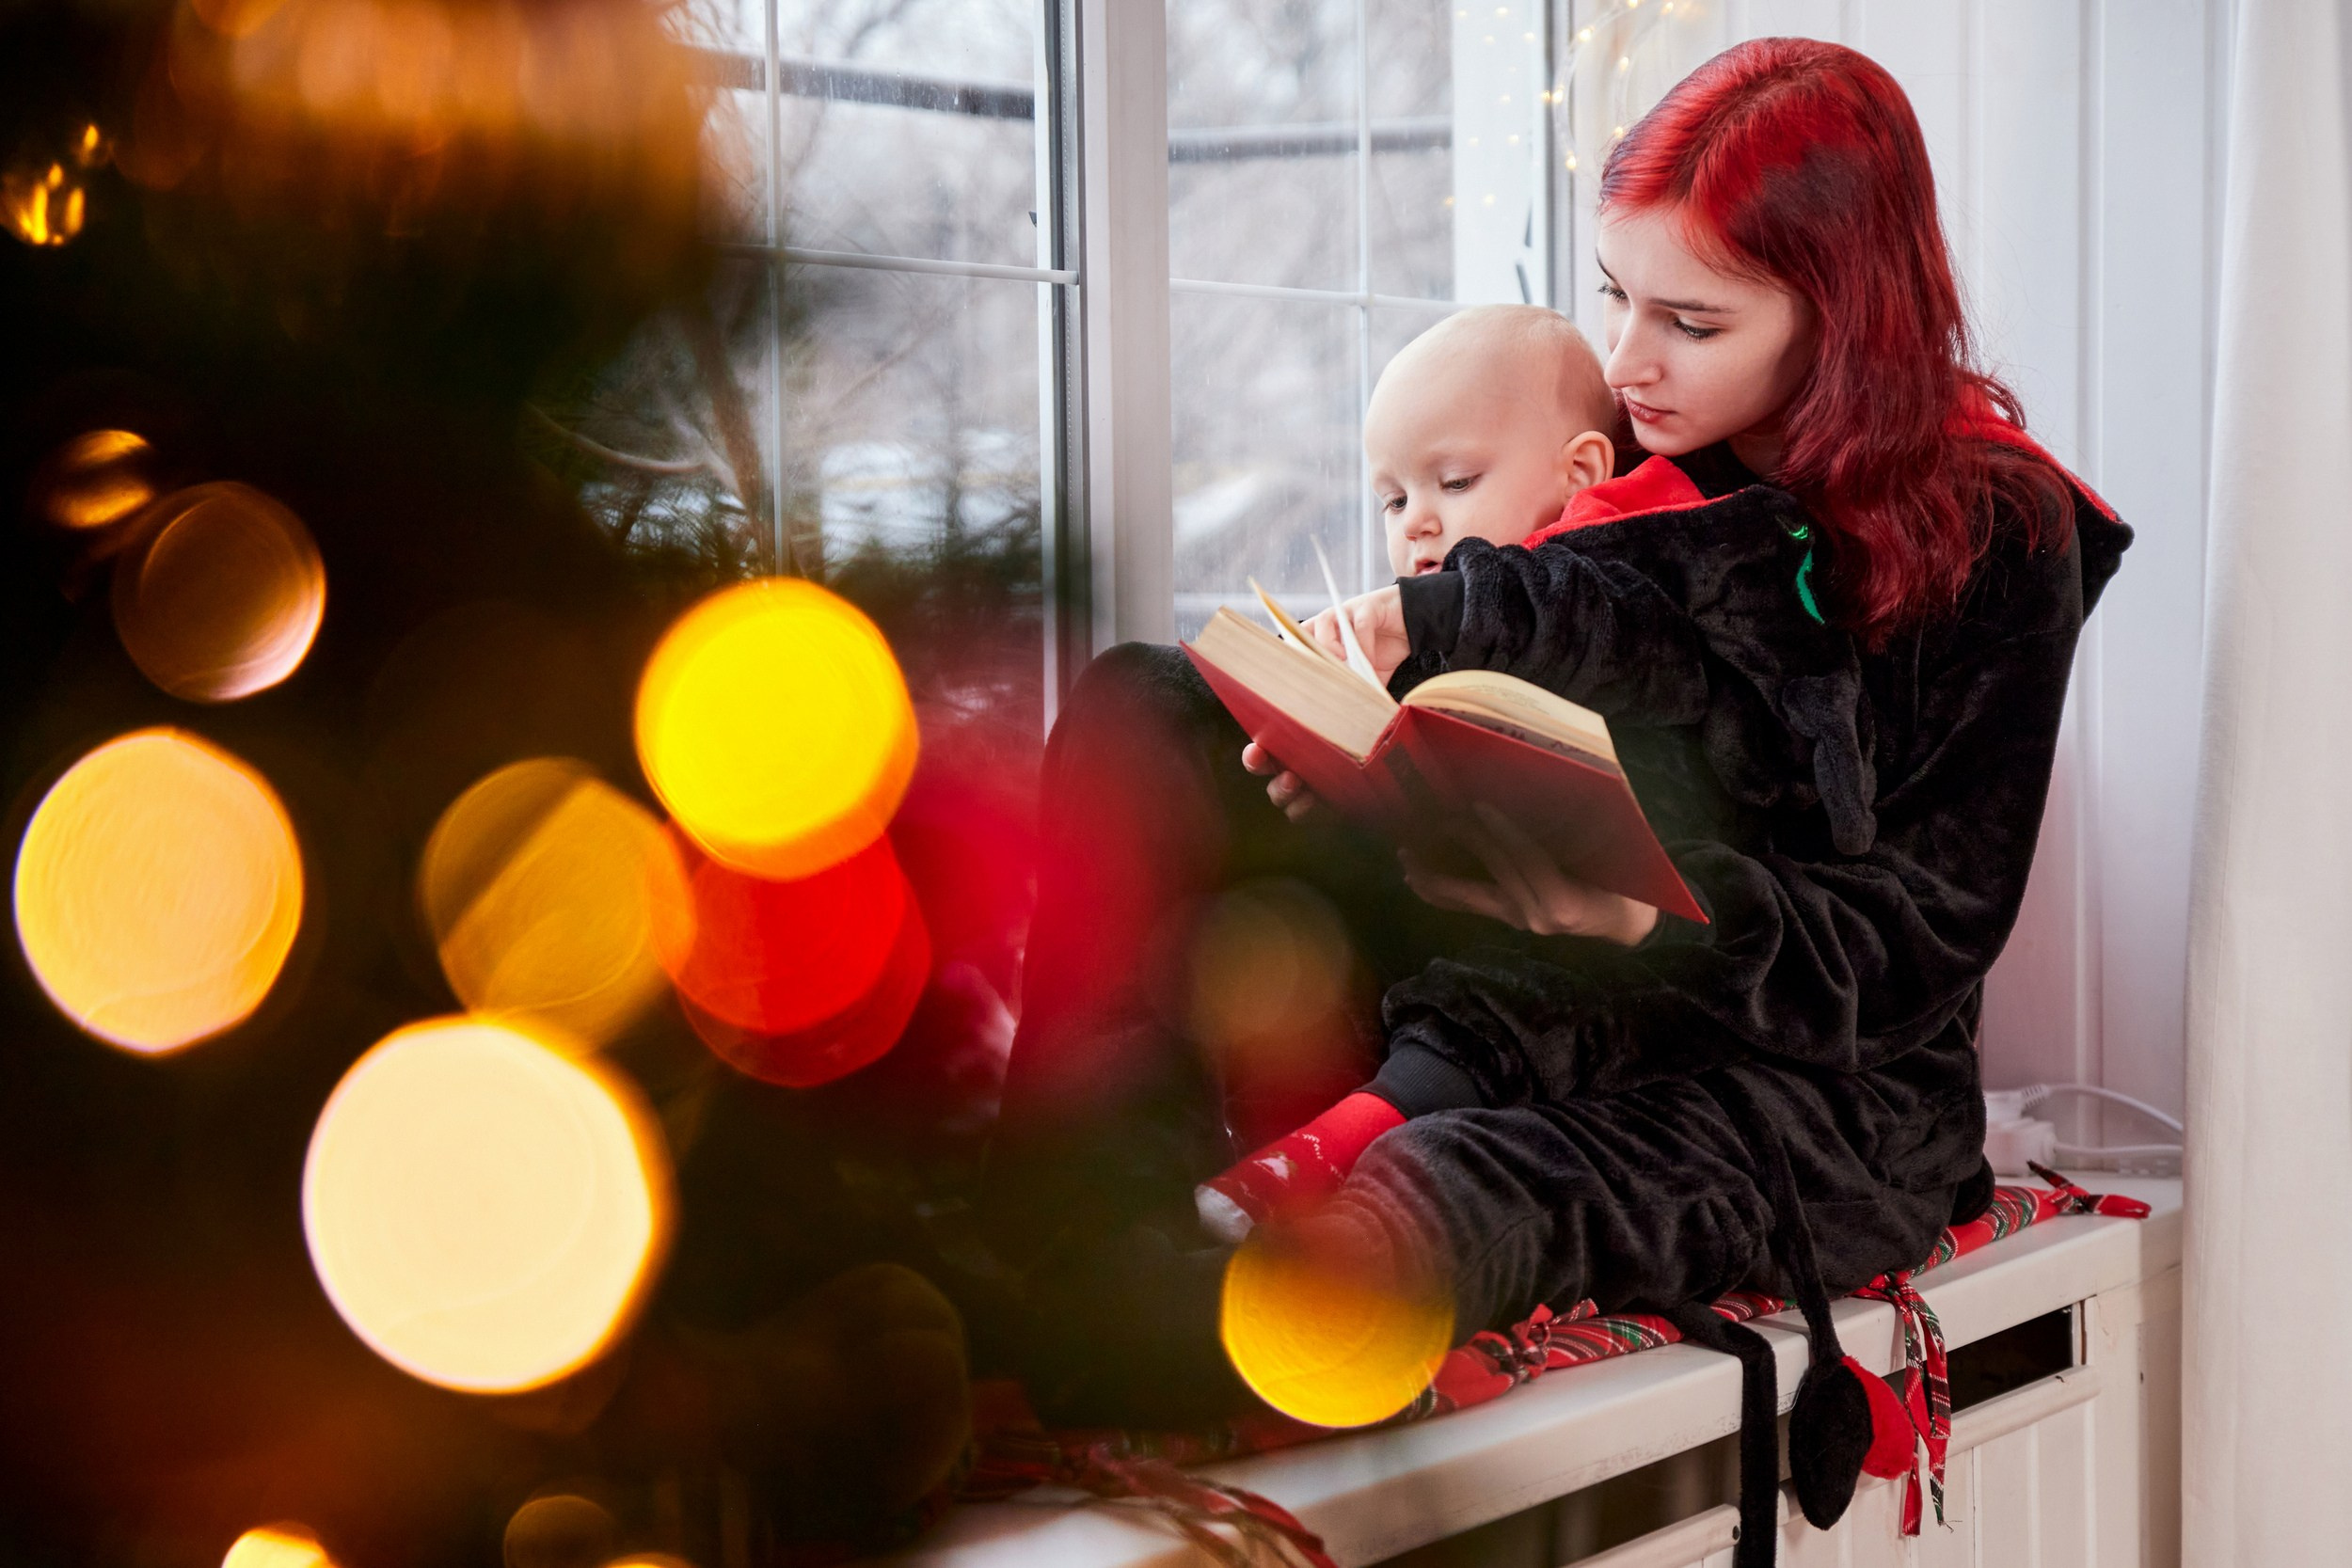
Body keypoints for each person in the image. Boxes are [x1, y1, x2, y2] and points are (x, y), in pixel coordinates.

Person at [979, 38, 2131, 1470]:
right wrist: (1356, 749)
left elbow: (1918, 946)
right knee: (1146, 705)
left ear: (1839, 318)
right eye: (1616, 296)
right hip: (1496, 989)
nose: (1631, 361)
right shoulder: (1635, 455)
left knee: (1446, 1180)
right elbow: (1554, 652)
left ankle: (1208, 1329)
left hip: (1790, 1084)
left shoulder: (2002, 541)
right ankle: (1084, 1227)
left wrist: (1649, 907)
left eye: (1692, 322)